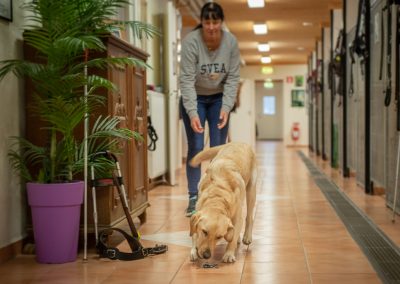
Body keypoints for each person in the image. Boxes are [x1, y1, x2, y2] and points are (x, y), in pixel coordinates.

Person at [179, 2, 241, 217]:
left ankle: (216, 193)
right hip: (195, 96)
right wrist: (192, 112)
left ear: (221, 22)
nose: (212, 27)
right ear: (202, 22)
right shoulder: (191, 43)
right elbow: (186, 80)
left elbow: (233, 78)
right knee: (196, 147)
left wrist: (226, 107)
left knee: (218, 148)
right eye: (207, 22)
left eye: (216, 22)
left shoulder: (231, 42)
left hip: (218, 98)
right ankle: (193, 196)